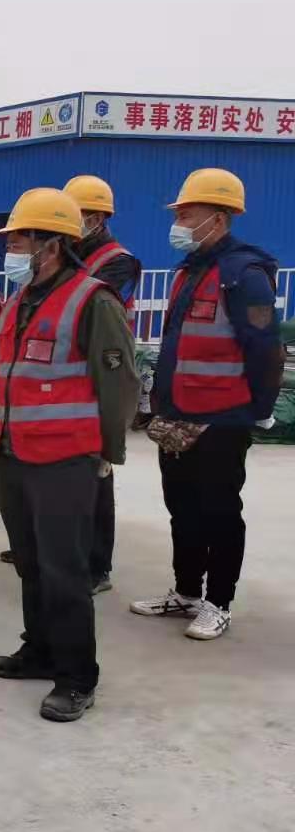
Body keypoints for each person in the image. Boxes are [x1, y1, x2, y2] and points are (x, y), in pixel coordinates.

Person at [0, 188, 139, 722]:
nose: (10, 249)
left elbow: (120, 384)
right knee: (30, 563)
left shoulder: (93, 301)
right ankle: (40, 650)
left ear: (51, 244)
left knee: (64, 570)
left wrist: (107, 452)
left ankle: (76, 677)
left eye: (19, 240)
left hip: (66, 461)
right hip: (14, 453)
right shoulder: (18, 301)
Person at [130, 168, 281, 641]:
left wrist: (260, 407)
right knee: (183, 509)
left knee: (219, 512)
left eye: (187, 214)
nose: (178, 223)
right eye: (178, 214)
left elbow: (265, 348)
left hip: (222, 420)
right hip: (178, 415)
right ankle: (186, 592)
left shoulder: (245, 276)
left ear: (218, 218)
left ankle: (219, 602)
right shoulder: (187, 272)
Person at [66, 174, 141, 594]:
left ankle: (97, 565)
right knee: (62, 472)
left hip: (101, 368)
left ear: (94, 218)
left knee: (97, 470)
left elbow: (90, 301)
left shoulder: (118, 261)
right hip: (67, 373)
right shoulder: (70, 252)